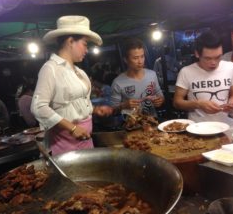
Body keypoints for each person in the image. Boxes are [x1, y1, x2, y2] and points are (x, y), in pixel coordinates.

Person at [31, 15, 113, 156]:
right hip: (64, 143)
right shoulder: (50, 68)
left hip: (85, 139)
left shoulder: (79, 72)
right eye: (85, 44)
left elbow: (74, 105)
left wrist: (94, 109)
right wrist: (73, 128)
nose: (86, 50)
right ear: (70, 41)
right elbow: (38, 107)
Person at [173, 30, 233, 121]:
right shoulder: (186, 72)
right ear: (197, 53)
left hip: (224, 125)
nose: (214, 63)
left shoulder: (230, 67)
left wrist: (232, 103)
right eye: (208, 58)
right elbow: (177, 102)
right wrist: (198, 104)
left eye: (218, 57)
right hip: (197, 127)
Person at [110, 38, 164, 116]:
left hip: (152, 122)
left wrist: (160, 100)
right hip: (130, 125)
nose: (140, 61)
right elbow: (111, 110)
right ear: (126, 60)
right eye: (135, 58)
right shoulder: (117, 83)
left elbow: (160, 95)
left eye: (142, 56)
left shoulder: (152, 74)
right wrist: (123, 106)